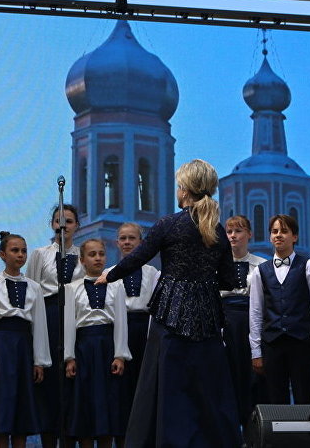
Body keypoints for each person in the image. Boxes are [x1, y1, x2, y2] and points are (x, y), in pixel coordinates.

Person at [95, 159, 241, 448]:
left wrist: (109, 275)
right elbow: (227, 280)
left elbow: (138, 257)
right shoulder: (218, 229)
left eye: (178, 185)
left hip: (170, 316)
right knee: (208, 389)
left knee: (166, 387)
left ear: (185, 190)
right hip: (207, 319)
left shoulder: (169, 224)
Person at [0, 232, 51, 448]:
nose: (20, 255)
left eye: (24, 250)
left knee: (21, 410)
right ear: (2, 254)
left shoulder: (34, 287)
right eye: (15, 250)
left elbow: (39, 326)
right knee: (2, 408)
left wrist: (39, 361)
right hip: (1, 347)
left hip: (23, 348)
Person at [248, 214, 310, 405]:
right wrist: (256, 351)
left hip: (302, 342)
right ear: (269, 237)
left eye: (284, 231)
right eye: (274, 231)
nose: (278, 235)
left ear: (295, 236)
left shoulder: (309, 266)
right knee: (276, 401)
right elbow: (256, 312)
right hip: (272, 343)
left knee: (304, 398)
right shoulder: (261, 270)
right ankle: (280, 437)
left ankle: (306, 435)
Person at [63, 239, 131, 448]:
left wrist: (119, 354)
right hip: (84, 348)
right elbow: (69, 324)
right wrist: (69, 357)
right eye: (92, 254)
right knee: (85, 403)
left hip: (107, 348)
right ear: (82, 260)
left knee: (108, 403)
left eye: (101, 254)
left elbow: (121, 320)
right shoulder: (72, 288)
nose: (98, 258)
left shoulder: (116, 285)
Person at [26, 204, 83, 448]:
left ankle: (69, 440)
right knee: (48, 383)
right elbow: (31, 290)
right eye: (59, 221)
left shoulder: (83, 254)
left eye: (69, 221)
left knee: (71, 382)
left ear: (77, 226)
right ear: (52, 224)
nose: (64, 226)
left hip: (75, 317)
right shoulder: (41, 254)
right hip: (48, 317)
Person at [105, 222, 159, 434]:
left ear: (141, 242)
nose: (127, 242)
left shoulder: (153, 272)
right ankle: (121, 434)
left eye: (132, 238)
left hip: (144, 330)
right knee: (120, 384)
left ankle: (144, 434)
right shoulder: (109, 273)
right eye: (123, 238)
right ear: (117, 242)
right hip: (119, 329)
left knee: (144, 383)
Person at [220, 215, 266, 425]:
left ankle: (254, 430)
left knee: (253, 376)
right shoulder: (216, 265)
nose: (233, 236)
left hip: (252, 322)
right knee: (226, 376)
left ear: (249, 234)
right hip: (224, 323)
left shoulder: (262, 265)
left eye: (238, 231)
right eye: (229, 232)